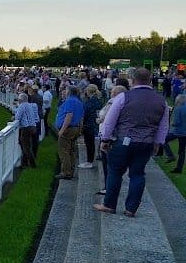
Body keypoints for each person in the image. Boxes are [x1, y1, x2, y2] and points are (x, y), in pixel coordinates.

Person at [94, 68, 170, 217]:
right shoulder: (161, 101)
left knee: (115, 172)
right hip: (146, 143)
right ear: (150, 80)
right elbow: (163, 126)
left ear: (133, 80)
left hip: (123, 141)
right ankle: (131, 209)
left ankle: (109, 205)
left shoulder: (123, 97)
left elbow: (109, 120)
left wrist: (105, 139)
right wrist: (157, 143)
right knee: (138, 174)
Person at [54, 85, 84, 180]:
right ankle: (70, 170)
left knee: (64, 151)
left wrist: (62, 130)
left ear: (69, 91)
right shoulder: (79, 102)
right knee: (71, 150)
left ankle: (66, 172)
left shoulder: (70, 101)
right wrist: (80, 129)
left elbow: (69, 115)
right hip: (75, 128)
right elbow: (81, 118)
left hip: (68, 129)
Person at [79, 84, 103, 169]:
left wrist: (81, 125)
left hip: (89, 124)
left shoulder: (89, 102)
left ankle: (89, 161)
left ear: (88, 91)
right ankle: (91, 160)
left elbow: (84, 114)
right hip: (96, 124)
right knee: (92, 143)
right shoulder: (99, 101)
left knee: (89, 144)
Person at [162, 93, 186, 173]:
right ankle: (179, 168)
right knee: (182, 151)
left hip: (177, 131)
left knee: (163, 140)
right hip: (184, 133)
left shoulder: (178, 109)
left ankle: (171, 155)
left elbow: (177, 122)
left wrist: (172, 123)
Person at [14, 93, 39, 167]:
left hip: (26, 128)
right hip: (33, 127)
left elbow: (17, 117)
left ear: (21, 100)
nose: (18, 100)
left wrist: (13, 117)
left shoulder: (22, 106)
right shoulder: (30, 105)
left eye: (19, 99)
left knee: (25, 146)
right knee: (27, 145)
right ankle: (24, 162)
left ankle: (33, 164)